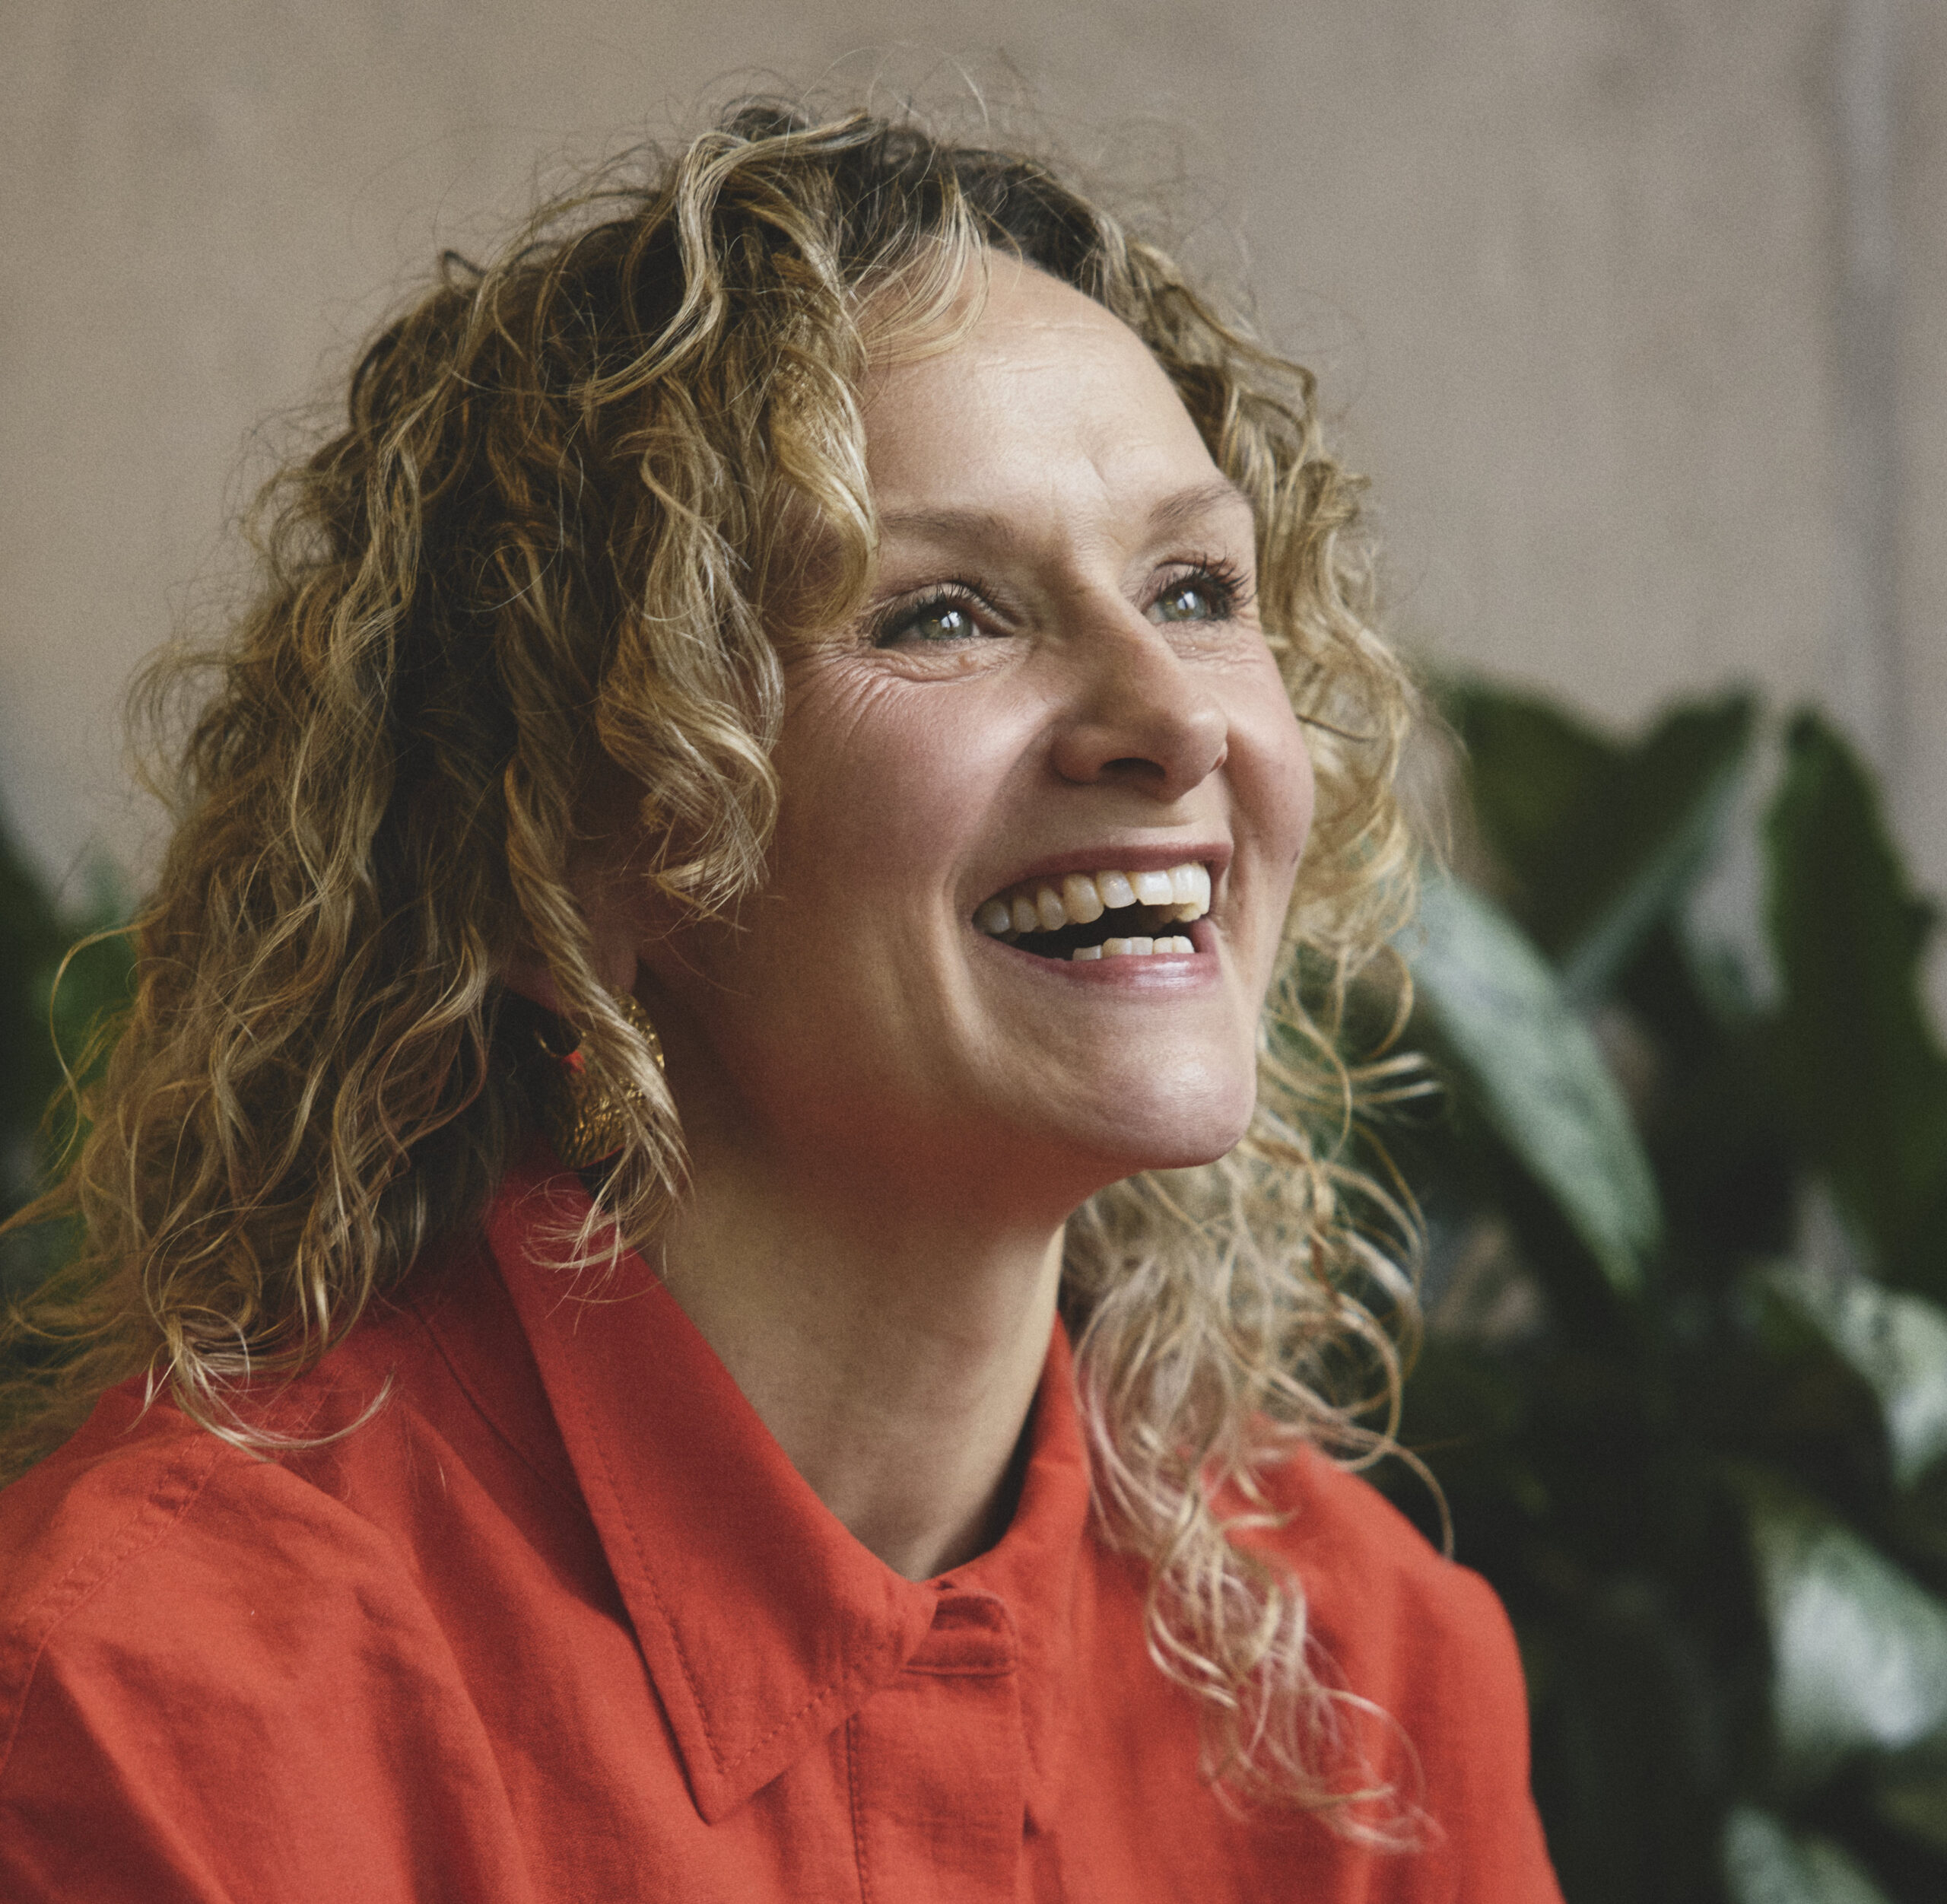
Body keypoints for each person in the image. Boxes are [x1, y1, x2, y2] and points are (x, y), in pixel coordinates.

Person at [0, 104, 1561, 1899]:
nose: (1173, 712)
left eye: (1195, 588)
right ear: (576, 855)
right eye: (942, 616)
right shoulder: (162, 1697)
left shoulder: (1376, 1679)